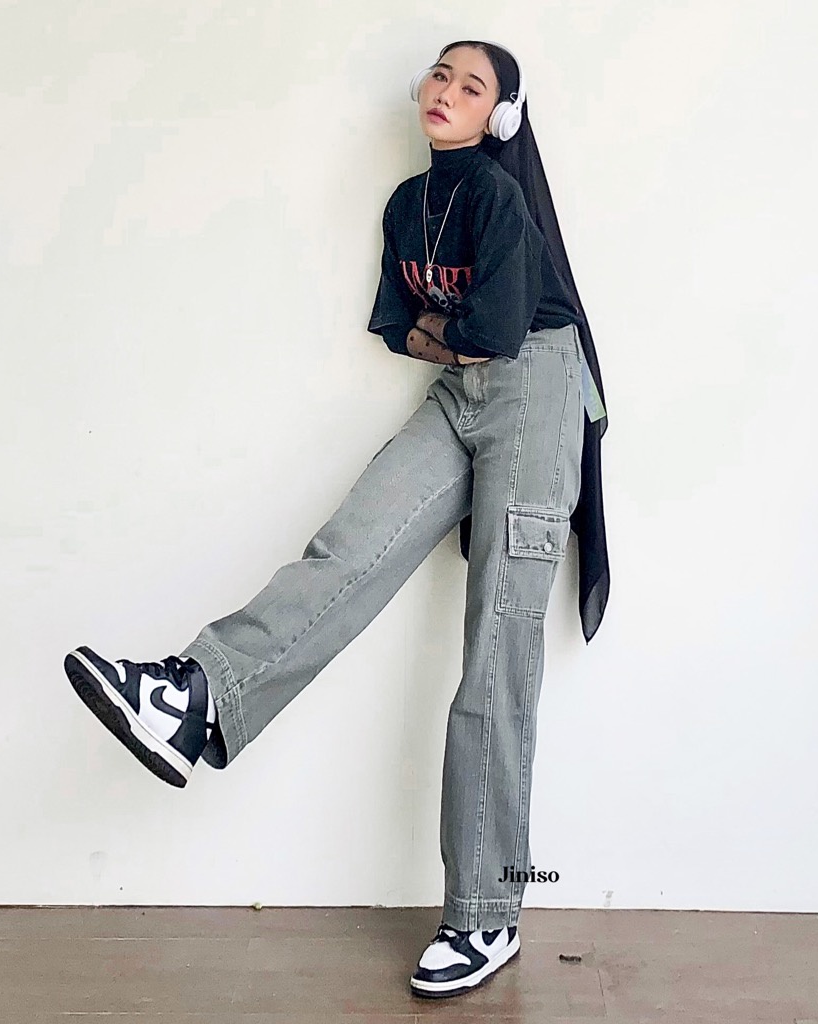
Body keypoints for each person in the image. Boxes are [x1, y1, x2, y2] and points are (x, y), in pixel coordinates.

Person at [64, 39, 608, 1000]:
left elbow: (491, 329)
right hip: (463, 396)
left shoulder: (499, 199)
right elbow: (399, 326)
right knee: (351, 547)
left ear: (501, 115)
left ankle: (487, 914)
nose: (447, 91)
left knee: (496, 650)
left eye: (472, 85)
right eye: (439, 74)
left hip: (539, 389)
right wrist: (449, 338)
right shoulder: (407, 204)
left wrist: (448, 334)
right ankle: (195, 696)